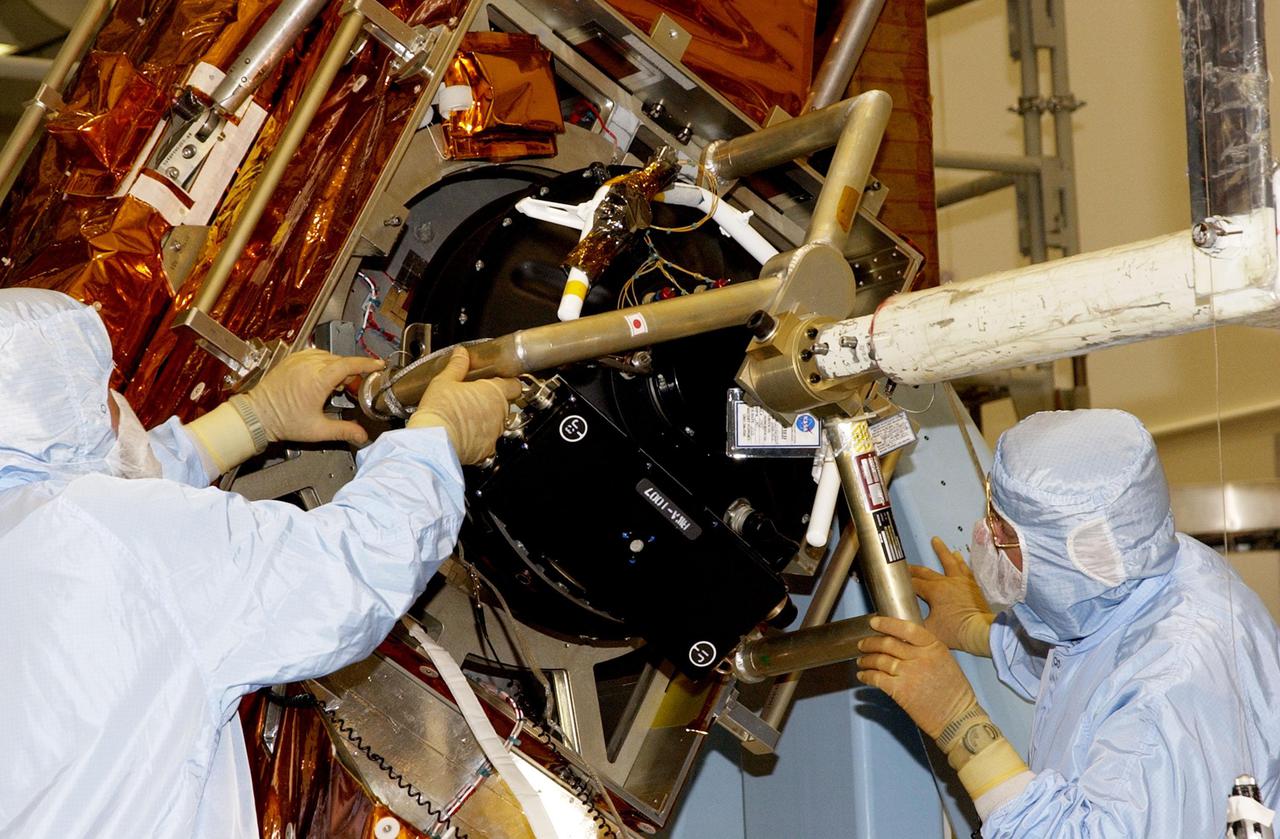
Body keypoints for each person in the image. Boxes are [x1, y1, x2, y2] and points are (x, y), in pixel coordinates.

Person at [0, 289, 518, 837]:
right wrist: (436, 442)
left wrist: (255, 418)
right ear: (60, 406)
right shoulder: (117, 535)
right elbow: (350, 571)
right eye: (100, 388)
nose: (114, 403)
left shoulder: (32, 522)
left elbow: (105, 508)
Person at [856, 408, 1280, 836]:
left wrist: (960, 723)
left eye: (1003, 531)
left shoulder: (1164, 697)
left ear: (1068, 554)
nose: (985, 538)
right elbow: (1097, 662)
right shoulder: (1157, 565)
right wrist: (979, 631)